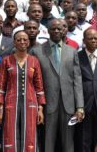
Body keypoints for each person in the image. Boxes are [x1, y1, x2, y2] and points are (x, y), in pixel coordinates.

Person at [32, 18, 84, 152]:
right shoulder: (37, 51)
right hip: (47, 103)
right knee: (48, 142)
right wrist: (39, 106)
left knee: (68, 143)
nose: (56, 31)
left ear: (63, 31)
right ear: (47, 31)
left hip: (69, 103)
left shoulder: (72, 51)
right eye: (53, 28)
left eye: (59, 29)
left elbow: (77, 80)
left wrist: (80, 106)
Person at [0, 30, 46, 152]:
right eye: (19, 40)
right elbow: (1, 86)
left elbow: (39, 87)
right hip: (10, 104)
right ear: (14, 43)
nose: (22, 42)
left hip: (31, 104)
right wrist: (1, 109)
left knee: (30, 135)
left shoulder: (34, 61)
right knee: (10, 135)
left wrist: (41, 109)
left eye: (25, 40)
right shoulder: (6, 61)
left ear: (28, 42)